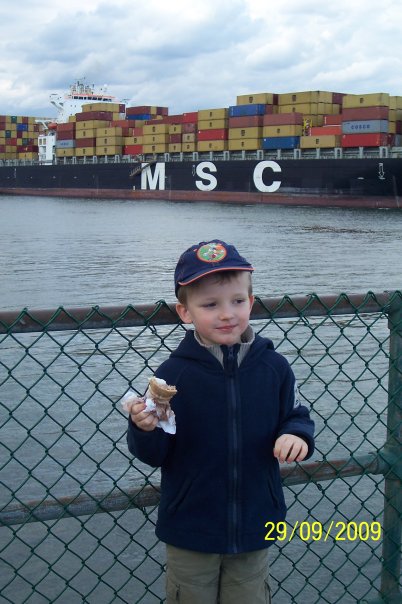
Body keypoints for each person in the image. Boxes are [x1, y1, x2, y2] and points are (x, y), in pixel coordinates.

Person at [126, 239, 315, 604]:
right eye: (210, 305)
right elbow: (154, 453)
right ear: (185, 312)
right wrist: (144, 427)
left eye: (237, 301)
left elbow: (293, 414)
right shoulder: (172, 373)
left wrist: (296, 435)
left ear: (251, 303)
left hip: (257, 521)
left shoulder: (274, 368)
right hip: (191, 526)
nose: (227, 314)